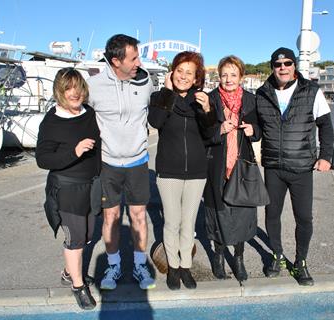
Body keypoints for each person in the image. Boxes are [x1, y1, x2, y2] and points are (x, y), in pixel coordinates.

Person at [256, 47, 334, 286]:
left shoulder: (311, 91)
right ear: (272, 67)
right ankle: (277, 256)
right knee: (272, 215)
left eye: (288, 63)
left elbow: (326, 126)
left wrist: (326, 156)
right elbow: (258, 127)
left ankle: (300, 262)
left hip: (301, 167)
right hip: (273, 167)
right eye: (278, 64)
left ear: (294, 66)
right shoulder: (262, 93)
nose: (283, 68)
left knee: (304, 218)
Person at [86, 34, 155, 290]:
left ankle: (139, 265)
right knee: (111, 218)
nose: (139, 61)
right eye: (134, 57)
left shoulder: (145, 81)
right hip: (108, 164)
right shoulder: (93, 86)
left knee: (138, 215)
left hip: (138, 161)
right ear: (116, 61)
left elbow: (156, 112)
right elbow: (77, 115)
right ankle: (113, 267)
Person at [148, 51, 216, 290]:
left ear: (197, 77)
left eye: (190, 72)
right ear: (172, 72)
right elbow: (155, 122)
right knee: (171, 222)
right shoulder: (161, 97)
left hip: (197, 172)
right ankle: (173, 268)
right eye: (180, 71)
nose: (184, 76)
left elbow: (210, 134)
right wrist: (166, 91)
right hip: (168, 171)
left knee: (189, 223)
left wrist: (208, 110)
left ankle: (186, 267)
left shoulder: (202, 100)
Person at [36, 68, 101, 310]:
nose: (74, 93)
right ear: (60, 92)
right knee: (75, 239)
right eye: (68, 88)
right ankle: (77, 285)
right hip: (66, 189)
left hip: (92, 185)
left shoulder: (89, 113)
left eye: (77, 87)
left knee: (87, 235)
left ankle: (68, 272)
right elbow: (42, 159)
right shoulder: (52, 121)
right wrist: (74, 151)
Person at [203, 55, 261, 282]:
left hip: (242, 166)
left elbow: (259, 128)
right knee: (218, 212)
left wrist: (252, 130)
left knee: (242, 212)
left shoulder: (250, 100)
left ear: (241, 77)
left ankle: (238, 257)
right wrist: (219, 130)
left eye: (233, 75)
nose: (228, 79)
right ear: (219, 76)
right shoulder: (210, 99)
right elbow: (203, 132)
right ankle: (218, 255)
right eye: (224, 74)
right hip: (216, 165)